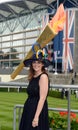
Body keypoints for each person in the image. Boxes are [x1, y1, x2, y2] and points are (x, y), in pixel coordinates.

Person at [19, 49, 51, 130]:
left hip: (37, 110)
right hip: (29, 108)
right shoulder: (32, 77)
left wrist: (36, 117)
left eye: (39, 62)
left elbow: (42, 98)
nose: (36, 64)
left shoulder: (43, 77)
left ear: (42, 64)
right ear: (31, 64)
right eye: (34, 62)